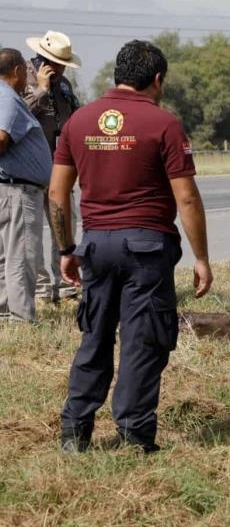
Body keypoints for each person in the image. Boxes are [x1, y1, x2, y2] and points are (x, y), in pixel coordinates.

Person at [49, 40, 213, 453]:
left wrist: (67, 248)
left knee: (95, 336)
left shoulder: (79, 121)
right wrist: (202, 257)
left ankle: (75, 432)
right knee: (143, 341)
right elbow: (187, 198)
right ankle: (135, 436)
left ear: (116, 75)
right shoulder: (164, 124)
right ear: (157, 79)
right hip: (146, 247)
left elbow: (56, 194)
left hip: (96, 246)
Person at [24, 30, 81, 303]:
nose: (59, 70)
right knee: (31, 234)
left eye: (62, 66)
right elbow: (15, 117)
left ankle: (66, 284)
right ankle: (41, 290)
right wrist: (42, 90)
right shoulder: (21, 78)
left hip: (60, 167)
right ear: (43, 59)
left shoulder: (65, 84)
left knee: (65, 226)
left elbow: (76, 116)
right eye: (56, 64)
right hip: (32, 167)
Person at [0, 48, 52, 322]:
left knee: (7, 256)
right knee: (21, 255)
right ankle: (20, 319)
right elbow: (2, 138)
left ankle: (6, 312)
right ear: (18, 70)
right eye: (27, 70)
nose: (30, 75)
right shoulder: (8, 98)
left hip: (10, 189)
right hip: (18, 191)